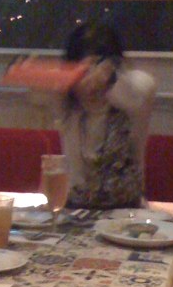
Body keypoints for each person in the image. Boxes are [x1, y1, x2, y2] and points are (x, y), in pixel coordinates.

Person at [58, 21, 157, 209]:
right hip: (76, 211)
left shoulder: (130, 102)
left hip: (127, 211)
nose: (89, 79)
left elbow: (146, 85)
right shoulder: (65, 105)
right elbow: (35, 89)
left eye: (96, 66)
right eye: (80, 69)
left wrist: (111, 78)